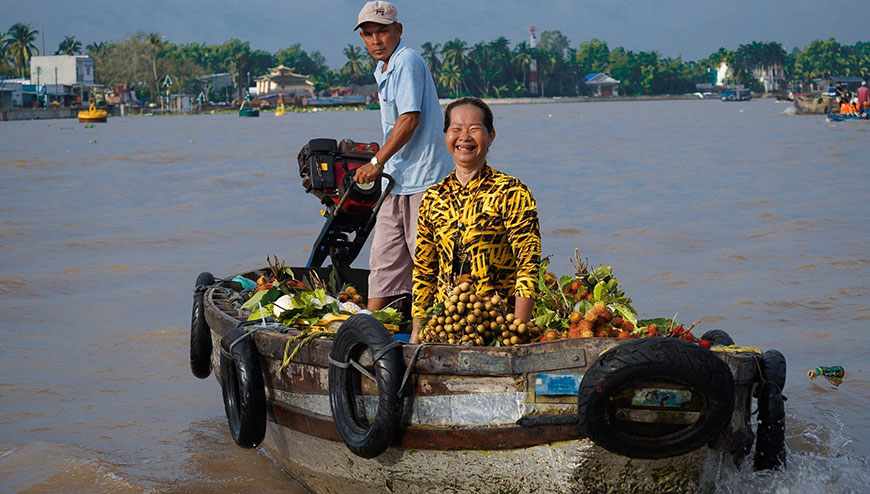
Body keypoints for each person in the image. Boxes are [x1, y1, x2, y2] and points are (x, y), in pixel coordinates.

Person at [410, 98, 541, 344]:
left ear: (490, 136)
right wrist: (418, 330)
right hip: (446, 325)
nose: (464, 137)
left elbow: (528, 265)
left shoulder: (511, 191)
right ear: (446, 135)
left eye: (474, 129)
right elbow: (424, 270)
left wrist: (518, 330)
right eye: (456, 129)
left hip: (497, 325)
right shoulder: (433, 197)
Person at [352, 1, 453, 312]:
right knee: (383, 257)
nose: (375, 40)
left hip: (424, 179)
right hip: (397, 180)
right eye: (368, 34)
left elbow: (409, 119)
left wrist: (376, 161)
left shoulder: (406, 61)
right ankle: (369, 325)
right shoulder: (384, 68)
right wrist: (379, 156)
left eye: (381, 32)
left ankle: (437, 328)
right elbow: (396, 125)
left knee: (429, 262)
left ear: (398, 30)